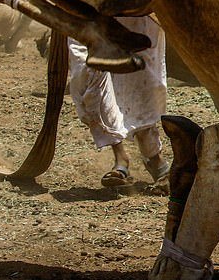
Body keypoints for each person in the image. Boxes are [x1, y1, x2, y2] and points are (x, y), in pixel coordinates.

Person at [67, 15, 170, 187]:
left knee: (142, 79)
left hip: (135, 7)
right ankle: (120, 156)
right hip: (85, 4)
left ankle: (154, 158)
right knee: (88, 75)